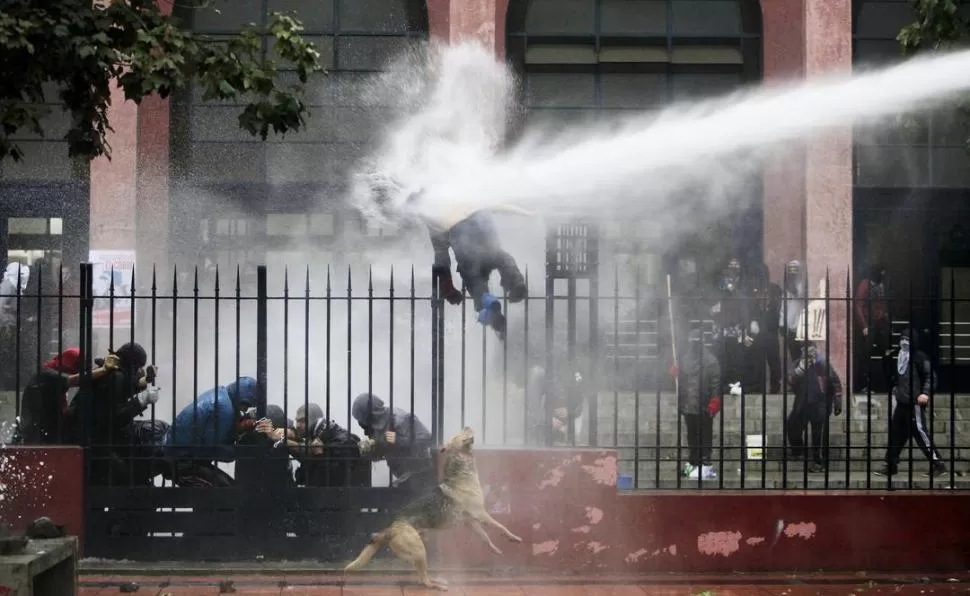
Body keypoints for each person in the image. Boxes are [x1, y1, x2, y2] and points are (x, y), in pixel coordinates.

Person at [875, 328, 947, 478]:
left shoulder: (920, 357)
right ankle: (891, 464)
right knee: (896, 433)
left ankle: (938, 463)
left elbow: (930, 376)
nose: (904, 342)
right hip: (901, 402)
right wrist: (895, 386)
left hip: (915, 403)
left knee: (920, 433)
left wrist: (925, 393)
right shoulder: (899, 357)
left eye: (907, 339)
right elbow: (895, 375)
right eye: (902, 339)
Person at [163, 376, 258, 487]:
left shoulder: (222, 394)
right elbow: (213, 449)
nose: (245, 409)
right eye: (245, 404)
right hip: (182, 462)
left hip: (181, 454)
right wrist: (240, 452)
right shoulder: (225, 410)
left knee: (230, 490)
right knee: (229, 493)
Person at [351, 393, 435, 493]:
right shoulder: (375, 427)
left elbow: (427, 439)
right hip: (404, 476)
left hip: (420, 472)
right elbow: (383, 451)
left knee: (391, 501)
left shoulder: (400, 419)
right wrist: (371, 450)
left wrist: (398, 440)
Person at [672, 327, 722, 481]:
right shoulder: (685, 359)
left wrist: (715, 400)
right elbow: (682, 383)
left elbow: (716, 383)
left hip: (704, 404)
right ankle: (693, 463)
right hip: (689, 404)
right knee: (692, 436)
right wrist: (676, 373)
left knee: (704, 435)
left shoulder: (710, 360)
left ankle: (705, 464)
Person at [786, 342, 843, 472]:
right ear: (802, 351)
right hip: (803, 403)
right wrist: (801, 368)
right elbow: (790, 380)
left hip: (820, 404)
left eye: (812, 350)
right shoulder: (798, 364)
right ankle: (798, 451)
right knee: (792, 424)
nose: (810, 353)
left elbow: (835, 383)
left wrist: (837, 401)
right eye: (807, 351)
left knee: (818, 434)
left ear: (816, 350)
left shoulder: (823, 364)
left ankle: (819, 462)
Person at [854, 264, 891, 393]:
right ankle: (864, 385)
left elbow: (885, 302)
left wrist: (886, 316)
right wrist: (864, 325)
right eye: (881, 272)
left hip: (882, 322)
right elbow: (858, 305)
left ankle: (889, 385)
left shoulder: (883, 285)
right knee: (866, 355)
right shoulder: (865, 284)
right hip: (869, 323)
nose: (882, 275)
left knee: (887, 353)